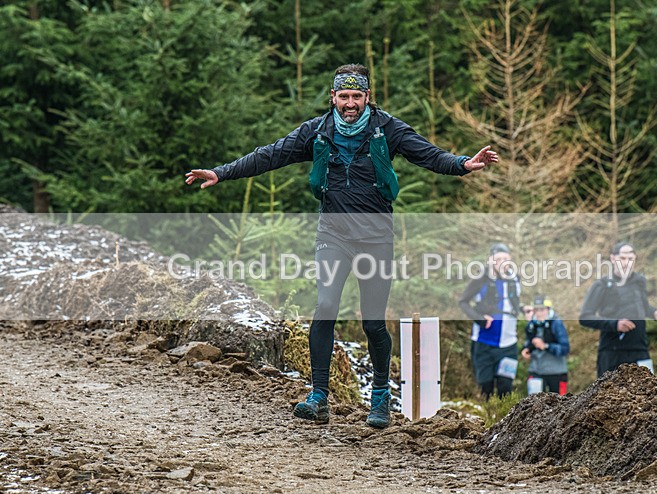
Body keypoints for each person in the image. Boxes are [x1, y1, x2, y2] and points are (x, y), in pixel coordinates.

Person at [185, 64, 498, 427]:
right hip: (332, 235)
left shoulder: (388, 129)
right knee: (326, 305)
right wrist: (222, 172)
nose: (350, 104)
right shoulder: (316, 131)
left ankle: (380, 396)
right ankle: (318, 396)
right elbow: (269, 155)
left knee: (372, 322)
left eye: (357, 97)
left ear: (368, 97)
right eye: (344, 96)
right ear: (333, 97)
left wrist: (463, 164)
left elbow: (429, 155)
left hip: (376, 238)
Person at [579, 241, 657, 377]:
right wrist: (615, 324)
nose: (626, 262)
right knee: (609, 396)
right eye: (622, 258)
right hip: (612, 352)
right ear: (613, 259)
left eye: (630, 259)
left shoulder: (640, 281)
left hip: (640, 349)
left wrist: (656, 313)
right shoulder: (602, 285)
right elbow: (585, 317)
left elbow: (643, 308)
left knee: (648, 394)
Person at [458, 243, 522, 399]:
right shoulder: (481, 279)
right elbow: (463, 302)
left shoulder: (515, 279)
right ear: (490, 260)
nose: (502, 262)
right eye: (498, 259)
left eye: (505, 259)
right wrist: (479, 319)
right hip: (484, 343)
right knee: (485, 387)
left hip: (509, 344)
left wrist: (524, 309)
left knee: (505, 387)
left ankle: (505, 421)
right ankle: (486, 421)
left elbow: (512, 304)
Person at [521, 295, 570, 395]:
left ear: (548, 309)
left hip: (556, 372)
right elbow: (527, 342)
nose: (539, 313)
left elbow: (565, 348)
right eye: (536, 310)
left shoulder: (556, 323)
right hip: (536, 371)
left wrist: (546, 346)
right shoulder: (531, 325)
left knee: (560, 407)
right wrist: (526, 350)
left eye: (542, 310)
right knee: (533, 406)